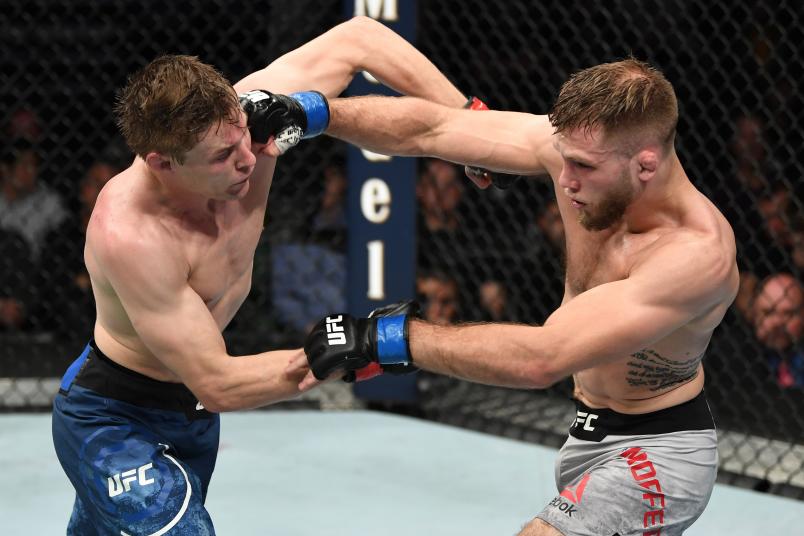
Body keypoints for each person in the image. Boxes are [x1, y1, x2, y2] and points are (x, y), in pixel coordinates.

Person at [273, 58, 739, 535]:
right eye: (563, 158)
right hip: (587, 434)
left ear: (646, 163)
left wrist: (387, 338)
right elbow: (433, 128)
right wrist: (313, 113)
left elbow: (543, 357)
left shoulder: (696, 255)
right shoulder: (580, 160)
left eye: (583, 167)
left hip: (657, 450)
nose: (564, 179)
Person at [50, 16, 472, 535]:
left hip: (194, 416)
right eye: (223, 157)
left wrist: (469, 120)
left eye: (242, 138)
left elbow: (360, 38)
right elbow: (219, 382)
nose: (250, 158)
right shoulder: (132, 236)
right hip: (113, 418)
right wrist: (353, 350)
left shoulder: (253, 116)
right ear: (162, 164)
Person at [751, 273, 803, 388]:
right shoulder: (730, 354)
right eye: (768, 313)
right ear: (754, 313)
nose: (777, 322)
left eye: (788, 314)